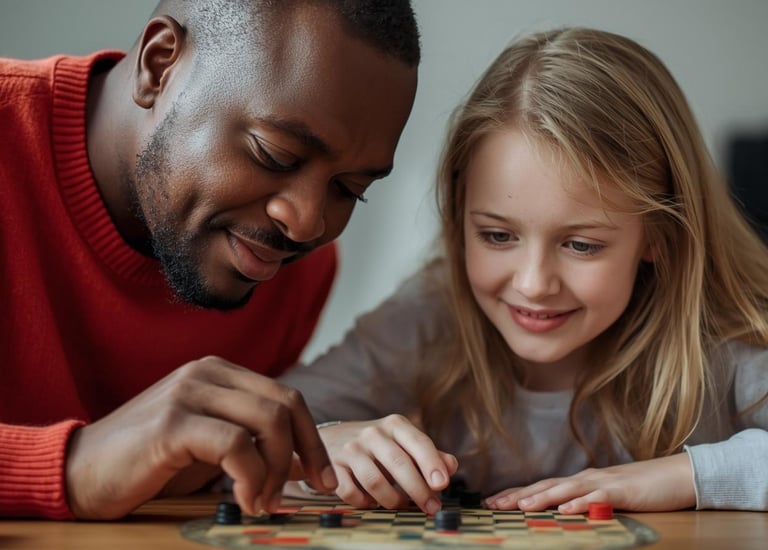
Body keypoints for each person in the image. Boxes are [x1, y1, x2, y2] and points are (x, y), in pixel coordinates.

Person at [280, 27, 768, 515]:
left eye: (581, 245)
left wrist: (681, 476)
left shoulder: (730, 333)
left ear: (659, 236)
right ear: (458, 217)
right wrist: (326, 443)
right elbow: (265, 423)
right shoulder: (432, 312)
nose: (533, 283)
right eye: (497, 236)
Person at [0, 0, 419, 520]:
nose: (307, 223)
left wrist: (286, 453)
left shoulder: (290, 269)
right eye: (276, 155)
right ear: (159, 65)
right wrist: (71, 467)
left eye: (349, 190)